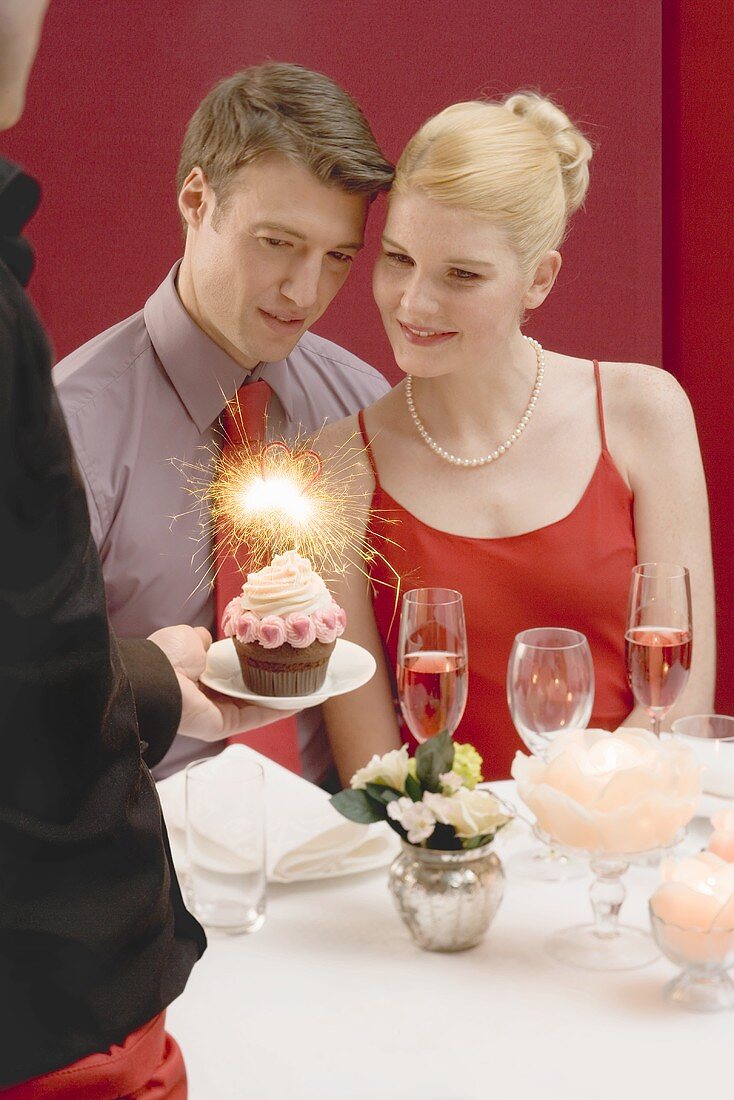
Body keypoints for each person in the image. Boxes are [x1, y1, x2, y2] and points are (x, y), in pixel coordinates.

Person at [0, 4, 286, 1092]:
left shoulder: (341, 408)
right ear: (195, 201)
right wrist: (157, 685)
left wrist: (153, 677)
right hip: (55, 998)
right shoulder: (67, 383)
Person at [318, 93, 716, 783]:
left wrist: (568, 834)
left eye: (461, 275)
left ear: (539, 279)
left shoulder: (645, 413)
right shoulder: (337, 466)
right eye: (398, 258)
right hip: (446, 860)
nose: (413, 302)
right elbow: (375, 771)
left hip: (626, 836)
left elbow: (676, 712)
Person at [54, 62, 394, 783]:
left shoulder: (362, 405)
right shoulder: (64, 432)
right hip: (138, 862)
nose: (305, 292)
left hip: (332, 849)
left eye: (337, 258)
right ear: (196, 199)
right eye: (278, 243)